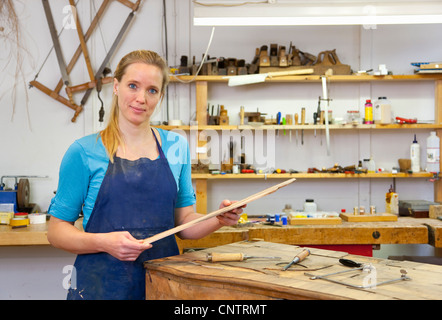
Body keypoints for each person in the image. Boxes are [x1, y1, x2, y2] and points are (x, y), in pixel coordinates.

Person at [47, 50, 244, 300]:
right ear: (116, 87)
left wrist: (219, 218)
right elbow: (56, 231)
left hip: (162, 285)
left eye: (152, 90)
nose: (141, 98)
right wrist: (105, 243)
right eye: (133, 86)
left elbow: (184, 222)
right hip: (99, 288)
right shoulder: (84, 152)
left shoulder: (176, 147)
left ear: (160, 96)